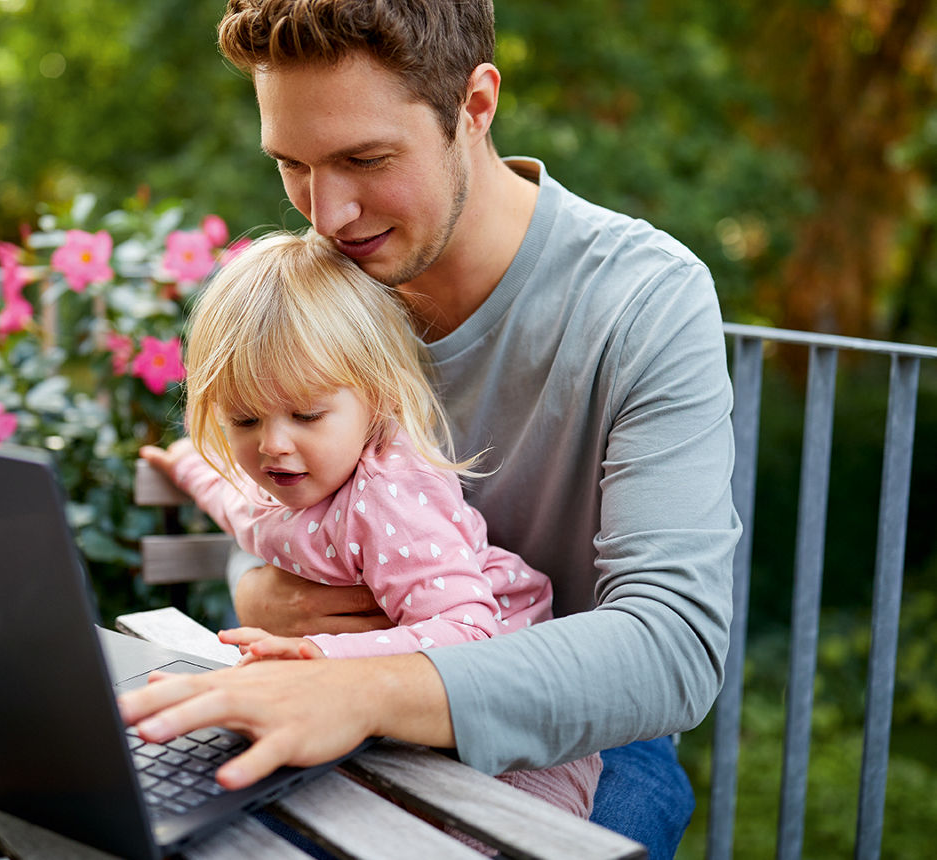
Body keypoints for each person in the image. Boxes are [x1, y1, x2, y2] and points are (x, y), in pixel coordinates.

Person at [119, 2, 740, 856]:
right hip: (349, 709)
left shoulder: (644, 302)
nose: (328, 214)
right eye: (292, 165)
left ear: (475, 107)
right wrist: (262, 588)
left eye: (364, 159)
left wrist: (363, 687)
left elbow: (673, 646)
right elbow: (287, 502)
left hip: (578, 745)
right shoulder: (334, 283)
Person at [139, 228, 602, 818]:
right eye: (243, 419)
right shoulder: (272, 486)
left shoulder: (389, 499)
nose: (274, 445)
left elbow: (469, 634)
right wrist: (183, 463)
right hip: (393, 713)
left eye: (307, 414)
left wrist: (318, 655)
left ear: (377, 399)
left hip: (523, 718)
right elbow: (226, 494)